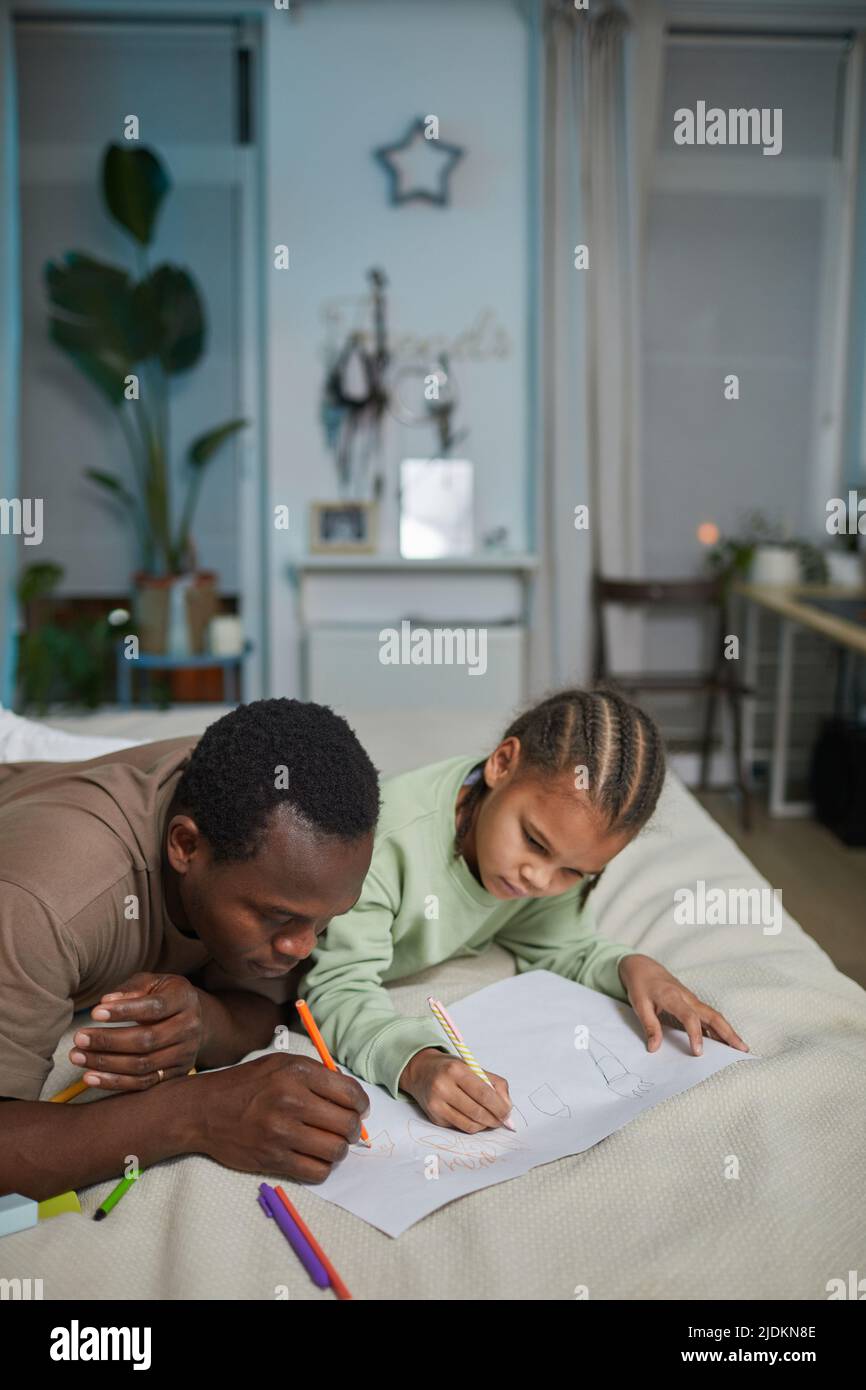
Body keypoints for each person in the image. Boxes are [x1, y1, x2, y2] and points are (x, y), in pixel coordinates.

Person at [303, 686, 749, 1133]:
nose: (540, 880)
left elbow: (561, 945)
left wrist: (630, 968)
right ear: (502, 763)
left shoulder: (541, 866)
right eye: (534, 842)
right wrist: (416, 1063)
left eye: (574, 872)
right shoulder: (382, 845)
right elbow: (338, 989)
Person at [0, 699, 379, 1200]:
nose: (303, 946)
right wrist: (197, 1112)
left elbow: (268, 1007)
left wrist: (203, 1019)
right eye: (277, 917)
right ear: (185, 847)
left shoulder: (281, 842)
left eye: (327, 919)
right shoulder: (45, 905)